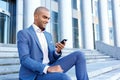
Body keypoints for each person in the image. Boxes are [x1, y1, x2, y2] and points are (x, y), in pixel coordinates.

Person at [17, 6, 89, 80]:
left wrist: (57, 51)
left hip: (50, 66)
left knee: (79, 55)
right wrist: (47, 68)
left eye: (48, 18)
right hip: (34, 74)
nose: (47, 21)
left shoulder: (48, 35)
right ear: (36, 16)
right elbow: (24, 59)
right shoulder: (24, 33)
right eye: (44, 17)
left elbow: (51, 58)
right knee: (64, 78)